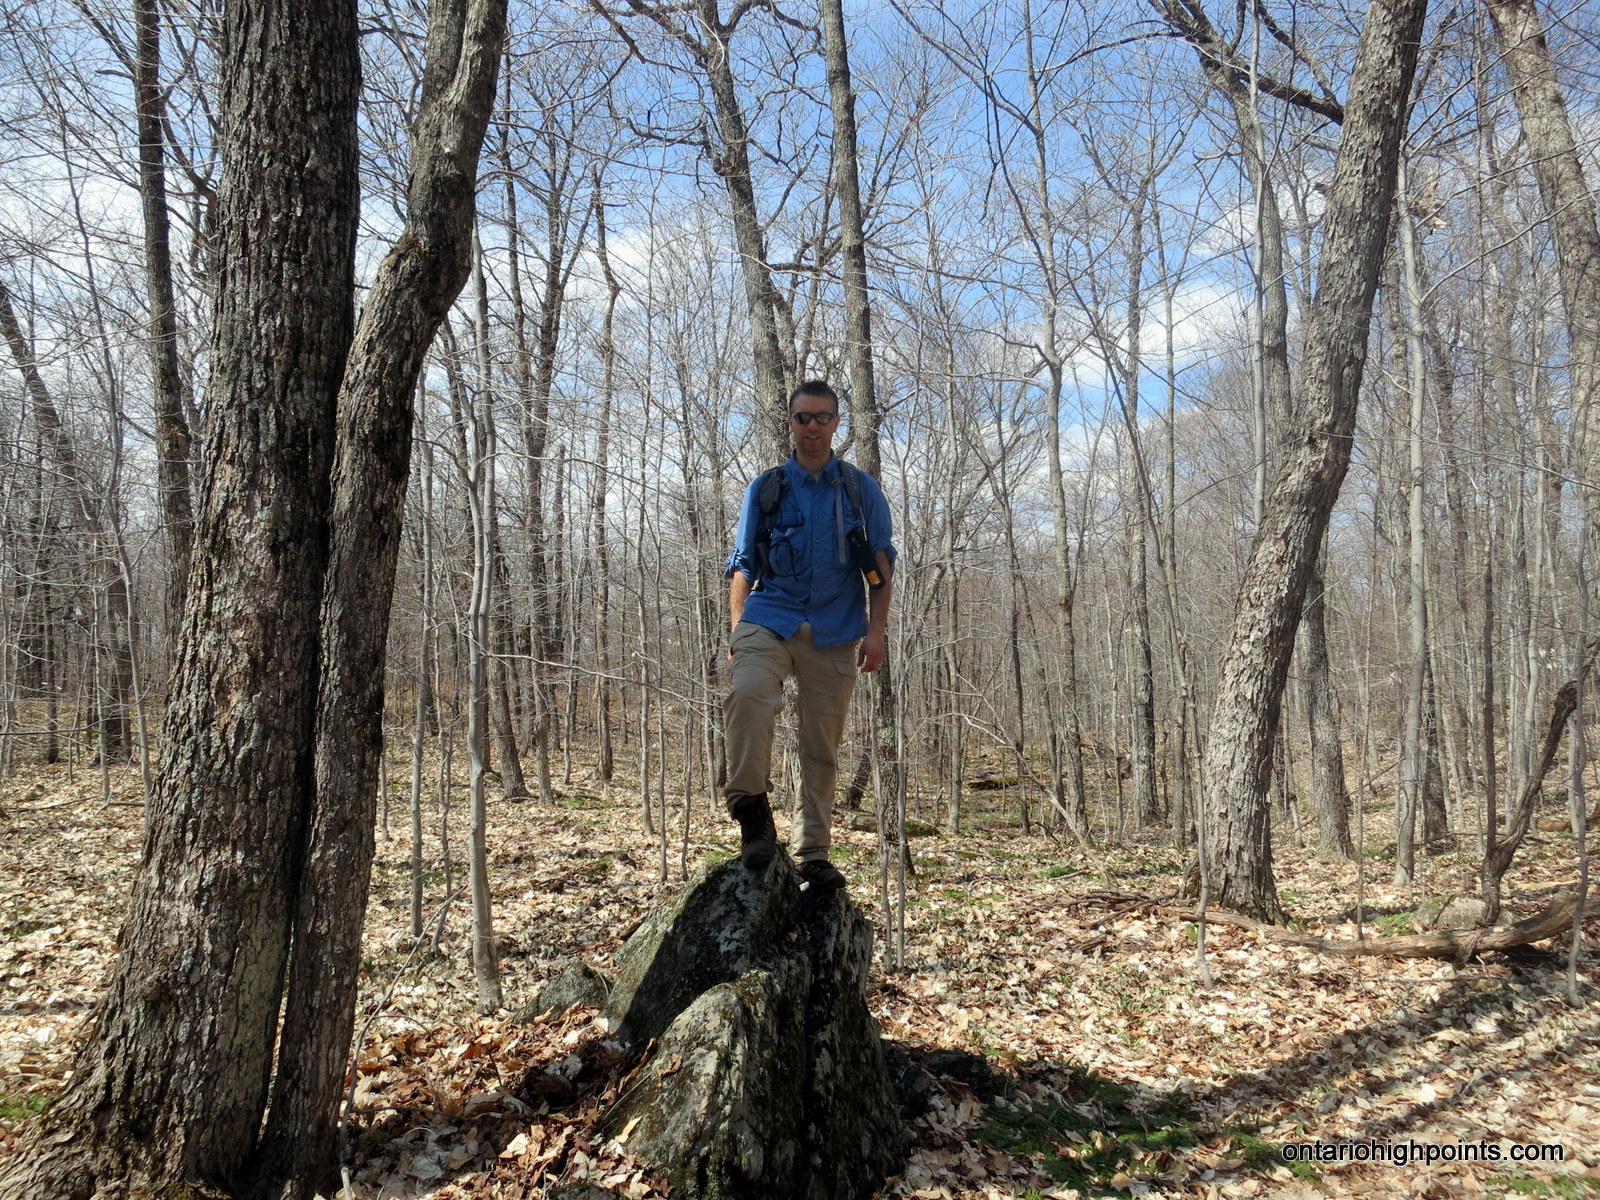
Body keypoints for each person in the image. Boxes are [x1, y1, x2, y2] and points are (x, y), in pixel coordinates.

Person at [722, 380, 896, 890]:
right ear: (790, 422)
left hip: (835, 628)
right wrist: (737, 630)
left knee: (821, 742)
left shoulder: (861, 490)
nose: (812, 427)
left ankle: (812, 853)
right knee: (748, 695)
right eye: (803, 417)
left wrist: (877, 632)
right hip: (769, 617)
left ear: (837, 422)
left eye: (822, 417)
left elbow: (881, 566)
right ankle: (752, 813)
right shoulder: (767, 488)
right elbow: (743, 564)